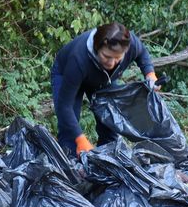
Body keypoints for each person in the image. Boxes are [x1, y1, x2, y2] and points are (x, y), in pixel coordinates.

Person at [51, 21, 158, 156]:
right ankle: (69, 166)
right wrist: (80, 139)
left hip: (102, 77)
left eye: (117, 58)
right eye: (106, 56)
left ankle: (106, 161)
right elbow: (64, 106)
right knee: (69, 131)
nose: (111, 63)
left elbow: (142, 53)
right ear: (97, 47)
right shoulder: (78, 59)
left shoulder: (129, 43)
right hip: (67, 73)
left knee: (109, 120)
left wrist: (150, 74)